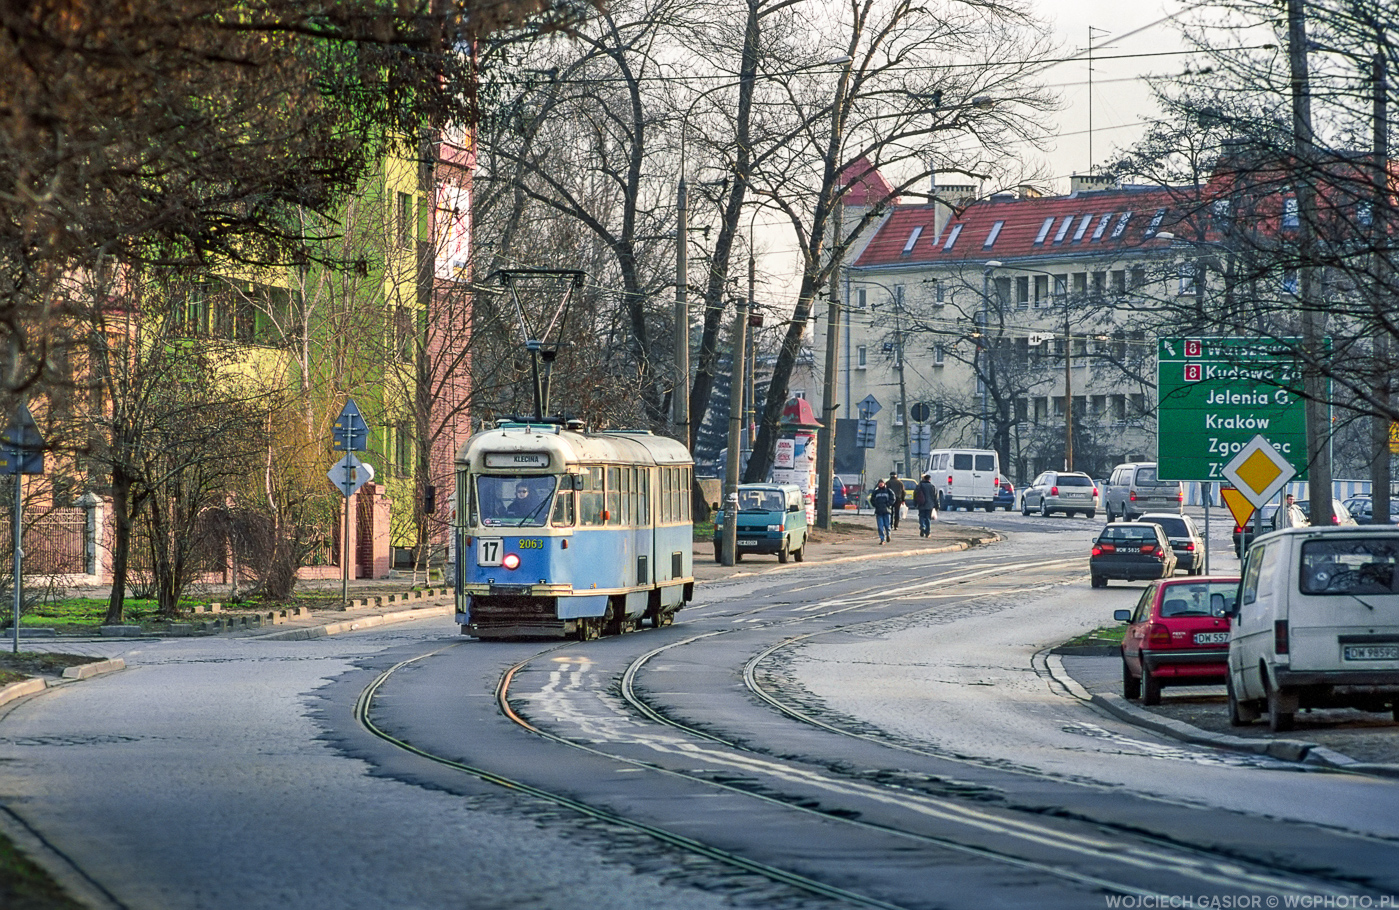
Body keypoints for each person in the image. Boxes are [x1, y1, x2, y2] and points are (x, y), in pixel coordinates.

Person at [869, 479, 895, 544]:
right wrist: (876, 505)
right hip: (879, 511)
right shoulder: (876, 492)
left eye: (882, 483)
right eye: (879, 483)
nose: (881, 484)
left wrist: (888, 504)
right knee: (880, 527)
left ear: (884, 484)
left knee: (887, 525)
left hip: (887, 511)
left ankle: (888, 534)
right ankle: (882, 539)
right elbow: (872, 500)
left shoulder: (888, 491)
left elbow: (893, 498)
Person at [914, 472, 938, 538]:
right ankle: (928, 532)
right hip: (930, 505)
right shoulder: (932, 487)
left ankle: (922, 527)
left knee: (921, 516)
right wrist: (936, 505)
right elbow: (935, 497)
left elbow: (915, 495)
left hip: (921, 504)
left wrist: (915, 503)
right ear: (929, 479)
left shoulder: (919, 486)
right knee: (928, 518)